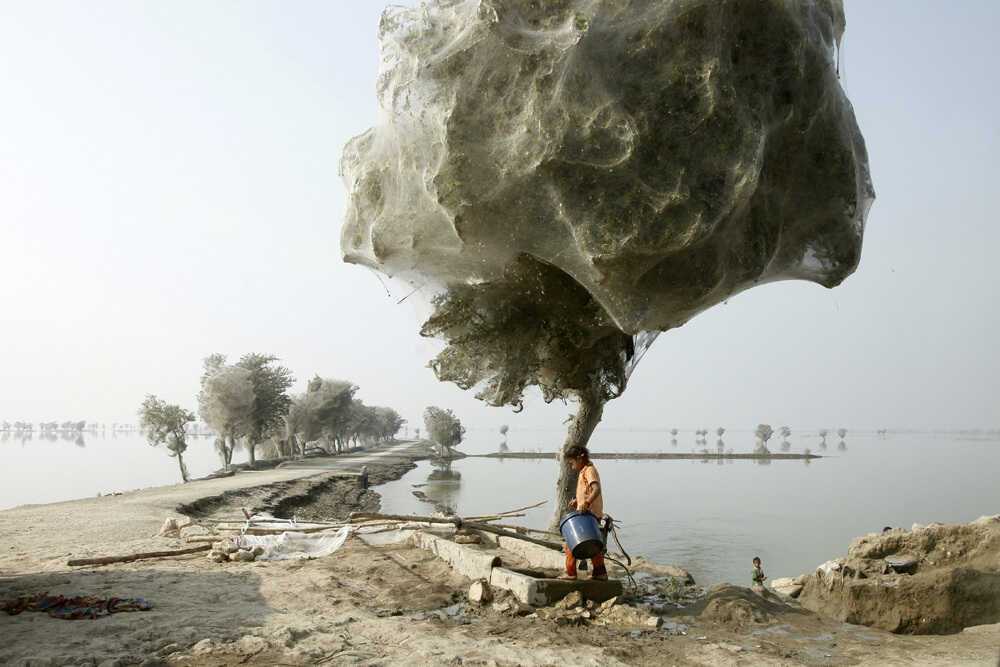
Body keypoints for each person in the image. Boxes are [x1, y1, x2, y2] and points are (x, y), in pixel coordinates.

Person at [560, 445, 607, 581]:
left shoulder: (589, 470)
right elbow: (586, 490)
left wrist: (586, 503)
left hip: (589, 514)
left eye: (572, 463)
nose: (572, 466)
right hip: (588, 514)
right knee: (592, 543)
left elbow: (596, 489)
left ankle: (570, 573)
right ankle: (600, 573)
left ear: (580, 459)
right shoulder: (584, 471)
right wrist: (577, 500)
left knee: (571, 543)